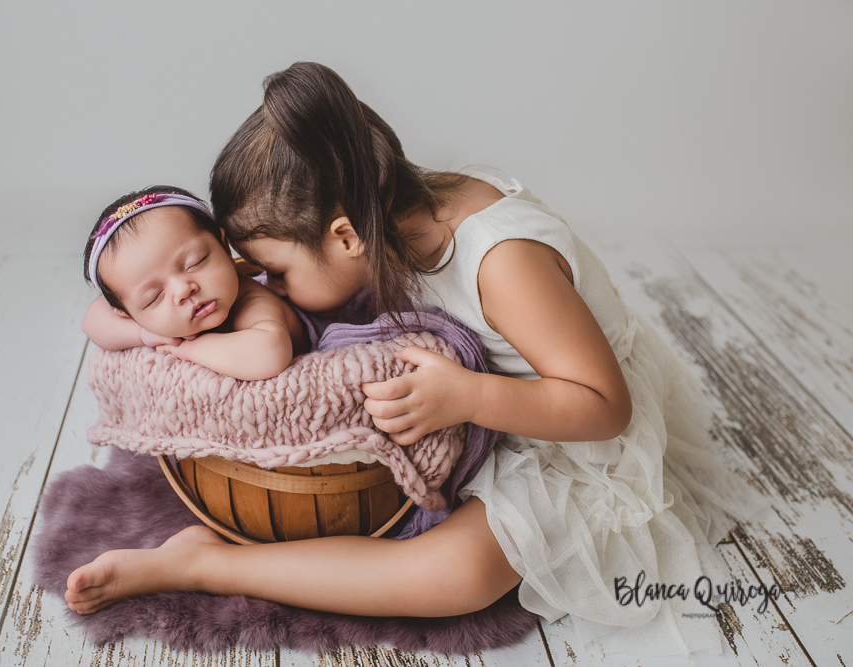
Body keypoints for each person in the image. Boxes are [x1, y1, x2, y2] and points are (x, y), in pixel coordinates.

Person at [66, 63, 757, 656]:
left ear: (343, 237)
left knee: (456, 576)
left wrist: (465, 398)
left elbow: (606, 407)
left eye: (273, 267)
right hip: (494, 393)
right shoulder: (387, 211)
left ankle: (210, 567)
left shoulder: (503, 261)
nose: (260, 282)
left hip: (572, 435)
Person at [81, 186, 307, 381]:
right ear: (126, 313)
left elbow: (270, 354)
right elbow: (92, 320)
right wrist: (143, 334)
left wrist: (188, 349)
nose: (183, 289)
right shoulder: (144, 319)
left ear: (224, 247)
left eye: (194, 263)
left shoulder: (251, 301)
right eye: (155, 296)